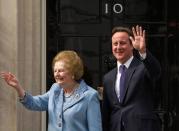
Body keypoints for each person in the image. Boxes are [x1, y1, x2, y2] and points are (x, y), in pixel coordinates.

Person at [1, 50, 102, 131]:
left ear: (73, 73)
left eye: (61, 70)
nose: (57, 74)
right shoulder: (55, 89)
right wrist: (18, 87)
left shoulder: (90, 96)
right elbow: (34, 103)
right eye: (55, 71)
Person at [102, 25, 161, 131]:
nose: (118, 47)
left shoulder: (143, 68)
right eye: (115, 44)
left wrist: (143, 52)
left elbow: (156, 72)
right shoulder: (108, 78)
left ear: (132, 45)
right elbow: (106, 112)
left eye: (123, 43)